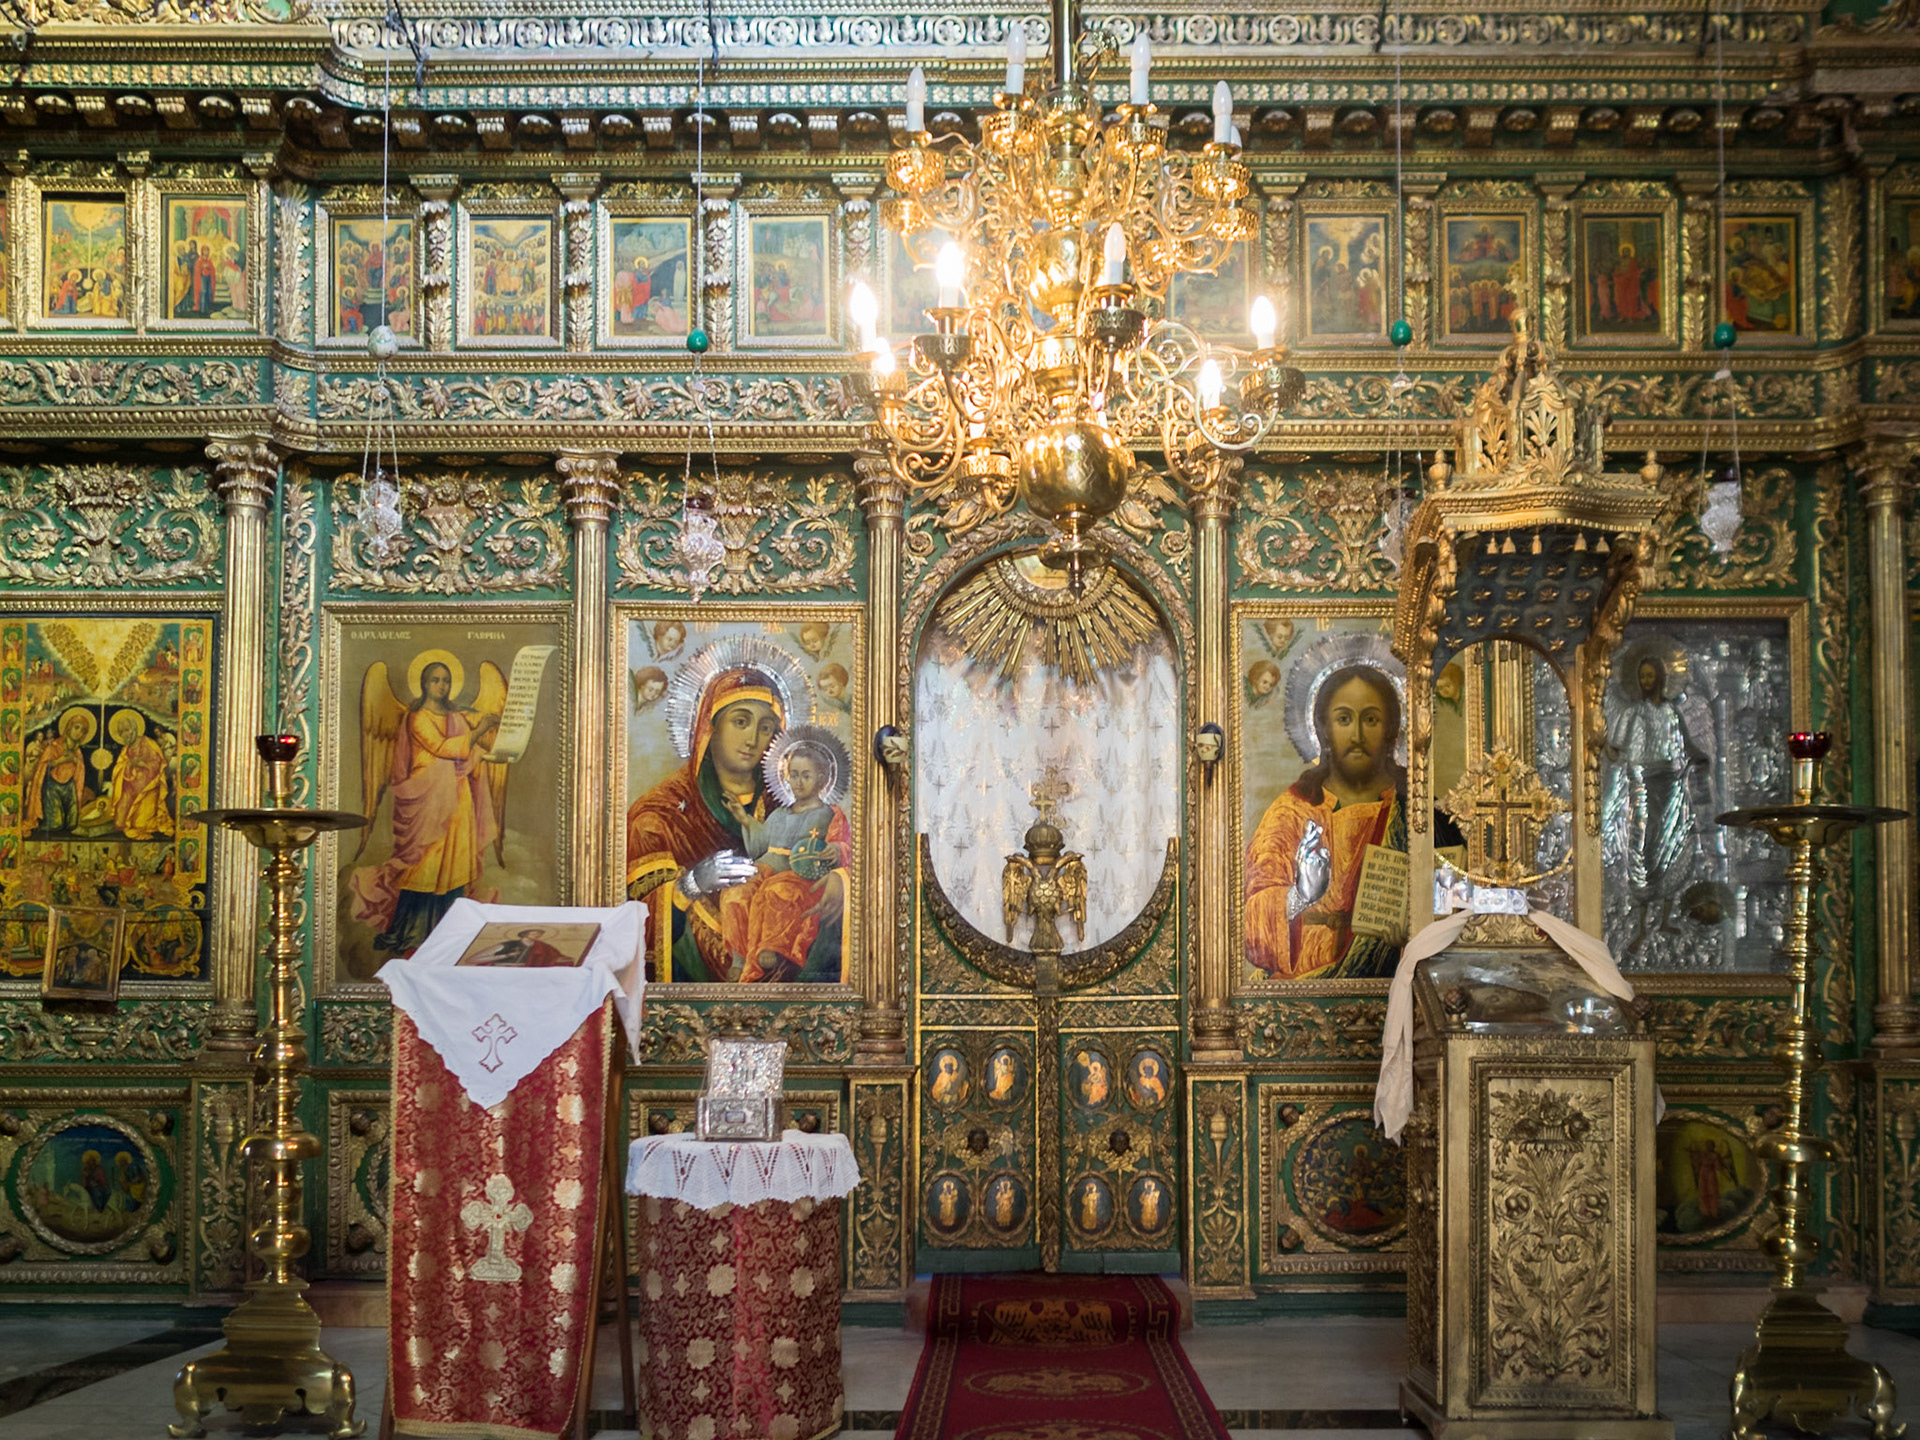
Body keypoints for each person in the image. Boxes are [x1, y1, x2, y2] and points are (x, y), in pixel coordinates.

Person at [625, 666, 843, 983]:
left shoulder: (791, 801)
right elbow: (628, 923)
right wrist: (691, 886)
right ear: (709, 726)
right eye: (740, 722)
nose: (753, 739)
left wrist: (839, 879)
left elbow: (840, 852)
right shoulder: (658, 816)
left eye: (767, 728)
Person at [1244, 665, 1406, 980]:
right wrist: (1300, 895)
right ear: (1323, 728)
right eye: (1344, 719)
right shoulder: (1292, 811)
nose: (1357, 735)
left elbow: (1451, 902)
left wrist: (1415, 930)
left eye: (1370, 719)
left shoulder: (1414, 812)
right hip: (1302, 985)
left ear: (1390, 728)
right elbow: (1250, 924)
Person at [349, 661, 501, 954]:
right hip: (428, 799)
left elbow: (465, 754)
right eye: (435, 680)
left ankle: (451, 933)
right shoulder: (416, 718)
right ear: (424, 683)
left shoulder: (457, 717)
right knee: (425, 862)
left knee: (454, 862)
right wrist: (479, 730)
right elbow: (443, 748)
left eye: (445, 680)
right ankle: (411, 932)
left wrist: (487, 750)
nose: (441, 686)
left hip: (457, 799)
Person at [718, 740, 851, 983]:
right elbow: (761, 844)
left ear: (821, 779)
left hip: (799, 874)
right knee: (737, 890)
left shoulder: (829, 814)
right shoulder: (778, 814)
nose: (799, 782)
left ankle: (771, 946)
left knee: (778, 891)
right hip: (767, 866)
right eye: (794, 775)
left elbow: (844, 844)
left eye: (806, 775)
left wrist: (835, 848)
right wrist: (744, 820)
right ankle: (739, 957)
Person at [23, 711, 92, 837]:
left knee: (72, 824)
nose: (79, 732)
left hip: (69, 786)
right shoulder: (54, 745)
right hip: (52, 786)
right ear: (68, 727)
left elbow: (80, 769)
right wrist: (61, 760)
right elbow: (44, 766)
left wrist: (76, 761)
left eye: (83, 731)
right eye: (76, 727)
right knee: (55, 825)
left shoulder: (77, 750)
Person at [107, 713, 171, 842]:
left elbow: (158, 763)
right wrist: (130, 764)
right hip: (130, 790)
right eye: (121, 732)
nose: (125, 734)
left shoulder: (148, 743)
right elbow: (118, 769)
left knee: (141, 824)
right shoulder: (126, 750)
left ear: (135, 728)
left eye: (127, 730)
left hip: (147, 790)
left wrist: (144, 765)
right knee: (120, 822)